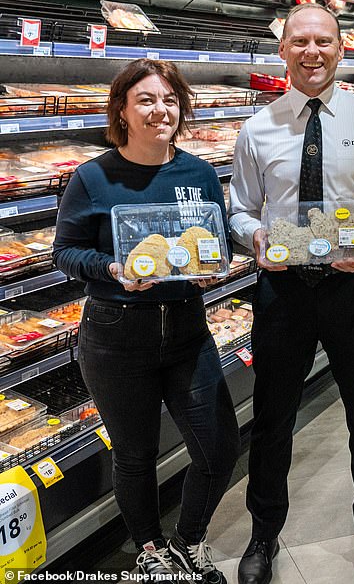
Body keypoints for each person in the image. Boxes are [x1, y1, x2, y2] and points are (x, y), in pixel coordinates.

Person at [229, 3, 354, 584]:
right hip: (282, 291)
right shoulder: (257, 129)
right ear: (283, 50)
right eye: (300, 42)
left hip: (352, 289)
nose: (313, 52)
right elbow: (239, 208)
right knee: (272, 417)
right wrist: (253, 237)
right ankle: (263, 534)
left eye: (324, 42)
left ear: (341, 49)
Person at [53, 58, 240, 583]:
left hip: (186, 327)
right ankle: (150, 550)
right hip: (116, 333)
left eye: (170, 100)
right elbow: (64, 253)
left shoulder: (199, 172)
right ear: (122, 111)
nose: (161, 110)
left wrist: (212, 266)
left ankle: (188, 541)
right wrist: (111, 268)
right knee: (135, 456)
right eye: (146, 100)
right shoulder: (92, 177)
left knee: (219, 447)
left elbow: (211, 240)